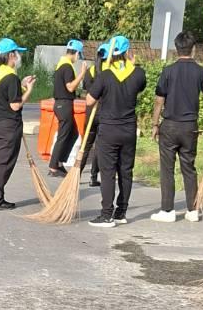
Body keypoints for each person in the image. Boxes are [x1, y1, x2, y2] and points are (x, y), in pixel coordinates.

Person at [150, 30, 203, 222]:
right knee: (189, 167)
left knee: (167, 168)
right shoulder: (200, 71)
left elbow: (158, 100)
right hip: (190, 126)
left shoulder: (168, 71)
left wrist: (155, 123)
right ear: (193, 49)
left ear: (176, 49)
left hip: (170, 125)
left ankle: (167, 210)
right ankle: (193, 210)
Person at [84, 36, 146, 227]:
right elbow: (139, 88)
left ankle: (106, 214)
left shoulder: (104, 76)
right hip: (128, 130)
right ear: (127, 52)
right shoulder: (138, 74)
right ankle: (122, 211)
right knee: (126, 171)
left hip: (108, 129)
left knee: (108, 171)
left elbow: (89, 101)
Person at [0, 37, 35, 211]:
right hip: (8, 126)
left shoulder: (0, 73)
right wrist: (28, 91)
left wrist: (21, 85)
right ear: (11, 55)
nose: (19, 57)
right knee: (3, 163)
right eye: (17, 53)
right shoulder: (10, 76)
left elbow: (4, 97)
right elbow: (15, 105)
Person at [48, 38, 86, 175]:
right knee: (64, 135)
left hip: (61, 104)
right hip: (63, 105)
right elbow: (70, 87)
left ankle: (59, 161)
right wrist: (82, 74)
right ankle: (54, 165)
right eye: (79, 55)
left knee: (73, 133)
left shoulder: (61, 64)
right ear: (76, 53)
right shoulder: (67, 66)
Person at [87, 42, 108, 188]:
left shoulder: (91, 70)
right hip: (104, 112)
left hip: (90, 112)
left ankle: (77, 174)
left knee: (86, 144)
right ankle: (93, 176)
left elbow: (86, 89)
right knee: (99, 146)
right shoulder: (110, 73)